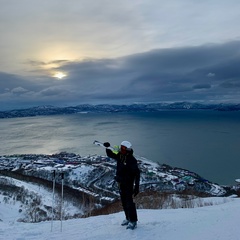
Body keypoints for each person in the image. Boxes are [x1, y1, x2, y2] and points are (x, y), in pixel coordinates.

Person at [103, 140, 140, 230]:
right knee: (124, 202)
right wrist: (107, 147)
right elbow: (111, 154)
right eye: (121, 147)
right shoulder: (120, 155)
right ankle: (128, 218)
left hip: (128, 184)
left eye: (123, 148)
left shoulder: (132, 160)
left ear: (127, 149)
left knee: (129, 202)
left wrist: (136, 186)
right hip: (121, 182)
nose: (121, 149)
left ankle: (133, 221)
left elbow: (137, 173)